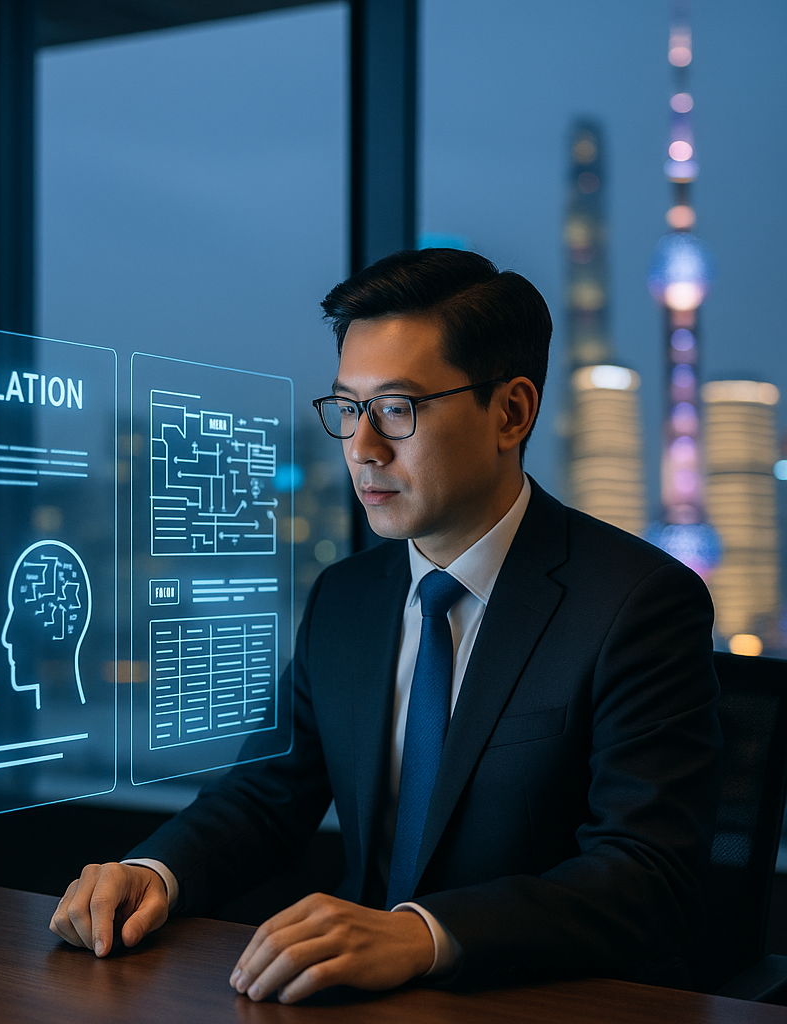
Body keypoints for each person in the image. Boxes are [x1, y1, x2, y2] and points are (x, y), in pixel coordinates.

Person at [49, 249, 722, 1002]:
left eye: (398, 409)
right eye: (348, 408)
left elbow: (646, 874)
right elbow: (267, 795)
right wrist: (152, 873)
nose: (363, 449)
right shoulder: (348, 597)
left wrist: (420, 933)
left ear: (511, 412)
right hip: (363, 1004)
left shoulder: (636, 602)